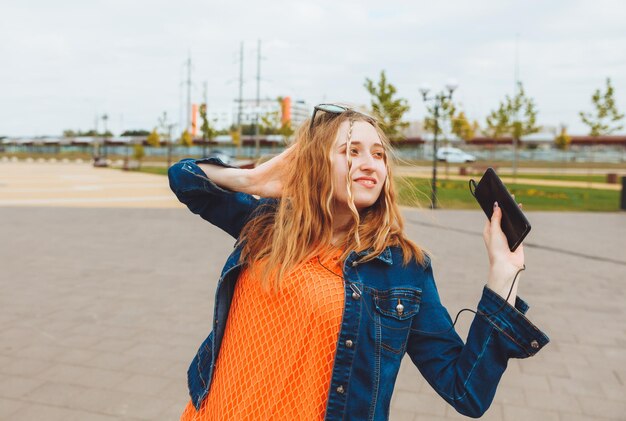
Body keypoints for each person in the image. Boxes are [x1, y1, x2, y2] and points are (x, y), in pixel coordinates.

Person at [168, 104, 549, 420]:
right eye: (351, 151)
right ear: (313, 162)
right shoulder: (269, 223)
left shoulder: (402, 268)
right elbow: (184, 179)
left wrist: (505, 274)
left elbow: (466, 391)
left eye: (379, 154)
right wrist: (252, 181)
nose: (370, 163)